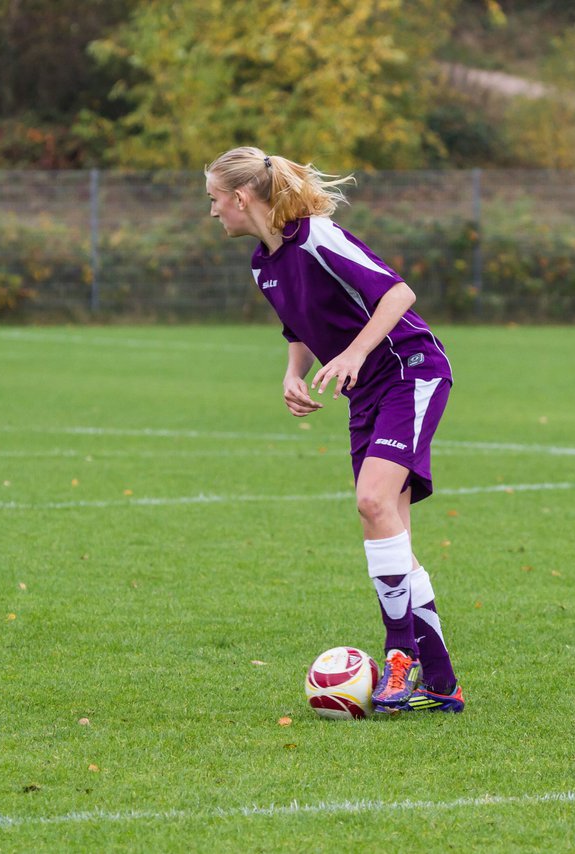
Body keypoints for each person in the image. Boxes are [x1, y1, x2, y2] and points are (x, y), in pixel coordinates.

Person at [205, 146, 463, 713]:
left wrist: (351, 353)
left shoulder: (319, 236)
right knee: (390, 529)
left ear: (241, 198)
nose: (214, 210)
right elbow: (296, 325)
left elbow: (398, 294)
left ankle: (400, 658)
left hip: (408, 371)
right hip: (365, 392)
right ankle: (441, 685)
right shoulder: (261, 264)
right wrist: (293, 373)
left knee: (372, 503)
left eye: (215, 199)